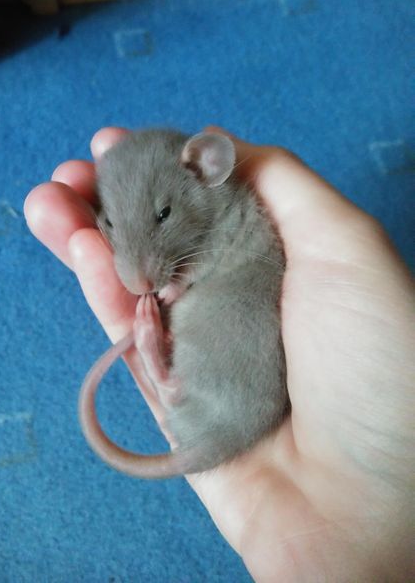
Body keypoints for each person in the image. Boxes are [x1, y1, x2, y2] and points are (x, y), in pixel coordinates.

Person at [24, 127, 414, 582]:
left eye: (163, 215)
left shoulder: (226, 208)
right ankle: (167, 373)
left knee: (234, 306)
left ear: (206, 164)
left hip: (241, 349)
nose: (137, 274)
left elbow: (221, 260)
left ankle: (168, 377)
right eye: (109, 223)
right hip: (235, 390)